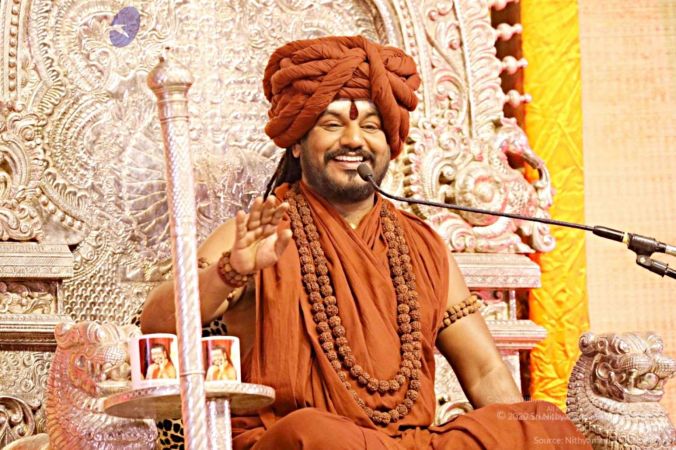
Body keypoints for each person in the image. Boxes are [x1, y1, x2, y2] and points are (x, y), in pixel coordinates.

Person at [141, 35, 591, 449]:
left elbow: (485, 369)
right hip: (305, 443)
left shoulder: (423, 245)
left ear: (390, 143)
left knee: (543, 424)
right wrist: (232, 271)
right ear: (297, 142)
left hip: (409, 442)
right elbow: (157, 323)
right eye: (332, 124)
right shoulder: (261, 232)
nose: (353, 139)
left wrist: (521, 437)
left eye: (372, 126)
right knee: (312, 432)